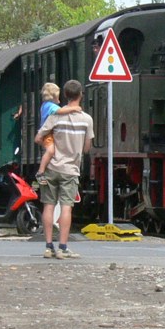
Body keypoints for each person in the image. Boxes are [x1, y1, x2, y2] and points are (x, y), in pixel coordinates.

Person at [34, 80, 94, 259]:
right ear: (80, 95)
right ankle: (63, 247)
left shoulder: (55, 116)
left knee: (48, 206)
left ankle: (48, 247)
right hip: (70, 169)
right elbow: (86, 148)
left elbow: (38, 137)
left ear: (65, 96)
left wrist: (50, 146)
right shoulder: (86, 119)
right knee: (66, 207)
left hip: (52, 167)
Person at [34, 82, 82, 185]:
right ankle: (40, 172)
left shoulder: (45, 105)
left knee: (53, 151)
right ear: (54, 96)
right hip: (48, 134)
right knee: (51, 151)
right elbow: (59, 111)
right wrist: (73, 108)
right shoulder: (49, 106)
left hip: (50, 133)